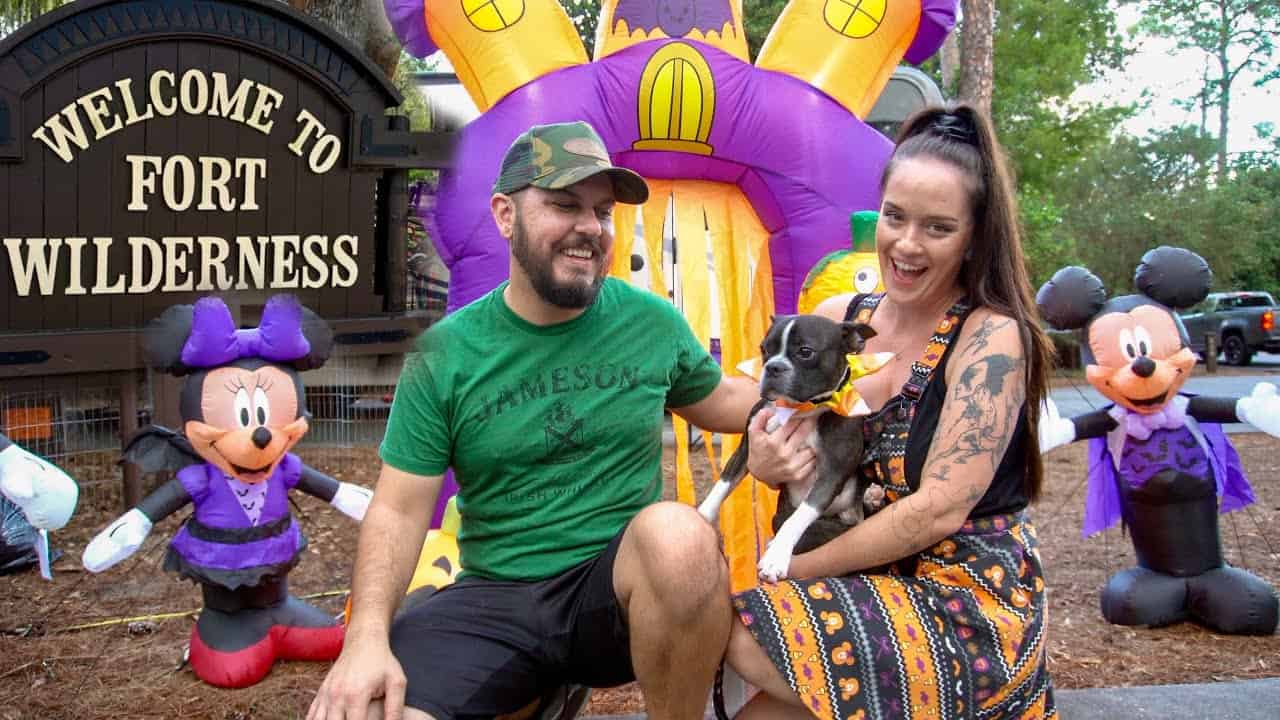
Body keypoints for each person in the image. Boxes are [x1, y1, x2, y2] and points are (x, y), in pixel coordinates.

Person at [308, 120, 759, 720]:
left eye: (602, 212)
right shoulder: (446, 354)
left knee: (679, 537)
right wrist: (363, 642)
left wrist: (832, 387)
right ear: (505, 214)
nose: (589, 228)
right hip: (497, 599)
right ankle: (531, 695)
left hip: (614, 597)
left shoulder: (650, 323)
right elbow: (397, 509)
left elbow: (728, 401)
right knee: (367, 712)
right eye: (564, 205)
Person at [727, 104, 1058, 719]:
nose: (906, 244)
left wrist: (798, 568)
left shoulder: (992, 339)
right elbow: (783, 415)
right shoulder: (847, 317)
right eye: (894, 217)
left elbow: (939, 508)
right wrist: (772, 458)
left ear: (973, 237)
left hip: (962, 599)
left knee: (747, 633)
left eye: (937, 227)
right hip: (869, 582)